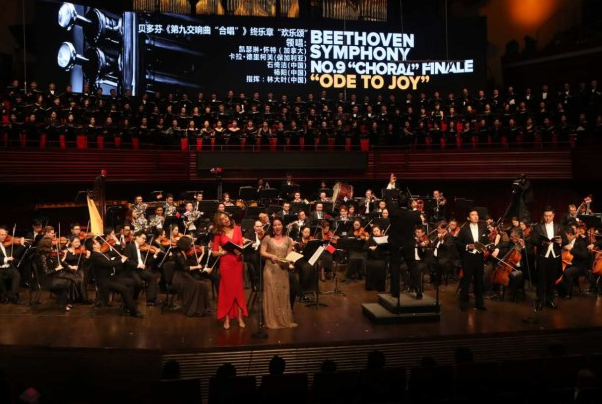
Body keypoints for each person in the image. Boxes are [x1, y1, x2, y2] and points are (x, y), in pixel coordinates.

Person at [86, 238, 143, 317]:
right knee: (124, 289)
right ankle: (133, 311)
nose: (99, 242)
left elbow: (109, 260)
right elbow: (108, 264)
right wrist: (121, 260)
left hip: (111, 278)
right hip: (104, 281)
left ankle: (127, 305)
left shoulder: (100, 253)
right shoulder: (95, 256)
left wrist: (119, 257)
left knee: (132, 282)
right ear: (94, 246)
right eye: (96, 242)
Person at [212, 212, 248, 329]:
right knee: (227, 291)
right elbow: (214, 253)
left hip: (237, 263)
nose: (226, 219)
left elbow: (241, 245)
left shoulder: (237, 229)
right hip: (226, 264)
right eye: (222, 219)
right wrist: (222, 252)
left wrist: (240, 250)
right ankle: (226, 318)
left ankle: (240, 317)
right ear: (219, 222)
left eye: (226, 217)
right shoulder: (218, 234)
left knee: (238, 290)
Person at [260, 218, 297, 329]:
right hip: (270, 270)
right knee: (272, 294)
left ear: (282, 226)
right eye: (275, 225)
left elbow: (288, 256)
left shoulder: (288, 240)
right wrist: (271, 256)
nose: (277, 227)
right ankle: (272, 320)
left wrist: (290, 261)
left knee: (283, 295)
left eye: (279, 224)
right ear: (272, 227)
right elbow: (262, 252)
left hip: (282, 270)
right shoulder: (267, 238)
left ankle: (283, 319)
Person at [385, 191, 422, 298]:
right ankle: (418, 290)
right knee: (412, 266)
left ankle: (395, 292)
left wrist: (392, 187)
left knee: (395, 266)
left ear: (397, 202)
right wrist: (416, 209)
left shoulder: (393, 211)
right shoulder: (414, 214)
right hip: (408, 244)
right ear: (408, 203)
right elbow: (419, 222)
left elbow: (388, 199)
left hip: (395, 244)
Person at [170, 236, 212, 316]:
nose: (191, 246)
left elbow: (189, 265)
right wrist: (197, 267)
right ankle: (194, 309)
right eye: (189, 244)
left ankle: (203, 309)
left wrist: (202, 254)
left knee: (203, 285)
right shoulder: (178, 254)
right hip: (180, 277)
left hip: (185, 276)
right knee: (197, 285)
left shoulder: (183, 252)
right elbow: (186, 268)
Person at [530, 206, 563, 310]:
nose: (547, 218)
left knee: (552, 280)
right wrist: (542, 243)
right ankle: (540, 300)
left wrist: (561, 242)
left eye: (549, 216)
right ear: (543, 216)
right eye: (545, 216)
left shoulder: (559, 226)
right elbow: (533, 240)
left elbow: (566, 240)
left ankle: (550, 300)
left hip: (554, 256)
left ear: (553, 215)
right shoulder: (537, 227)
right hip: (543, 256)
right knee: (541, 280)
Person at [457, 208, 489, 311]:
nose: (475, 216)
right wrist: (467, 246)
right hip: (468, 257)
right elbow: (458, 243)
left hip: (479, 257)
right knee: (466, 281)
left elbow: (487, 241)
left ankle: (480, 304)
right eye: (473, 215)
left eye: (476, 215)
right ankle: (464, 303)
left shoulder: (483, 228)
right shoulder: (463, 229)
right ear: (468, 218)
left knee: (479, 281)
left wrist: (486, 247)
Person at [0, 227, 21, 303]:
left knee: (16, 275)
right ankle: (4, 296)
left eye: (5, 235)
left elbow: (13, 254)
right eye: (2, 235)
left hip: (8, 267)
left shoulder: (4, 244)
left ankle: (14, 295)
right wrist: (6, 259)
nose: (4, 236)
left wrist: (21, 245)